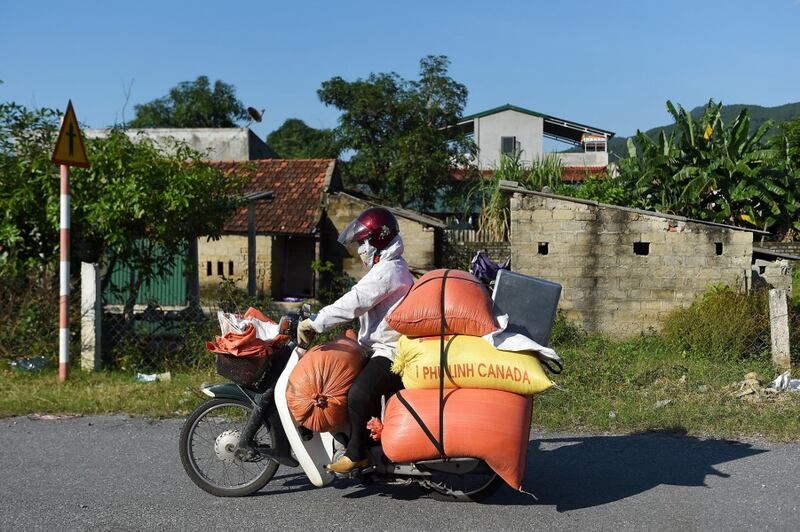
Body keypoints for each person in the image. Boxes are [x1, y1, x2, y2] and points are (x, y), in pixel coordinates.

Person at [296, 207, 414, 473]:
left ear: (378, 240)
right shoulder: (387, 267)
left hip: (391, 352)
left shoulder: (388, 271)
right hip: (378, 347)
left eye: (363, 242)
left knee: (358, 393)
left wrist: (316, 322)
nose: (360, 248)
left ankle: (357, 453)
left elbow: (355, 302)